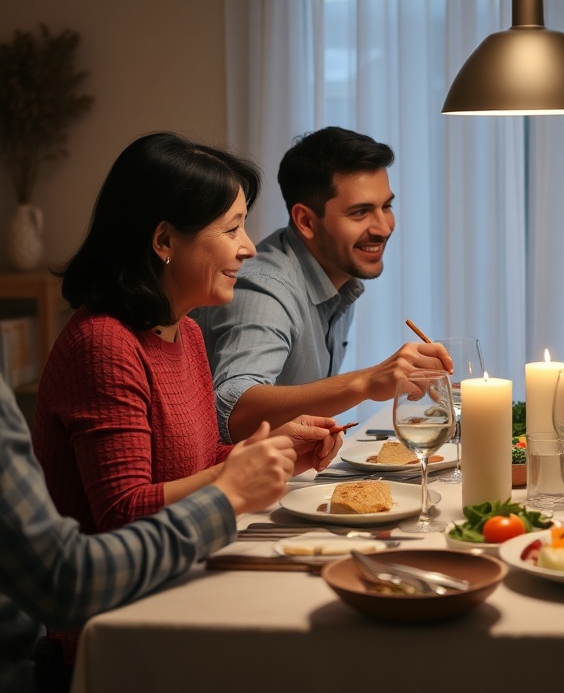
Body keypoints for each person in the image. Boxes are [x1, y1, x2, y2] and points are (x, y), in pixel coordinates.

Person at [31, 133, 344, 667]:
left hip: (174, 579)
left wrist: (277, 451)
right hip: (113, 630)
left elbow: (192, 465)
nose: (249, 247)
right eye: (232, 229)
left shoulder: (186, 332)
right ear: (164, 240)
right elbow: (124, 515)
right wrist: (235, 475)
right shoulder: (104, 345)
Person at [1, 372, 297, 693]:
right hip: (89, 646)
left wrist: (271, 456)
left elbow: (202, 459)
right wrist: (226, 498)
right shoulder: (103, 352)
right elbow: (66, 577)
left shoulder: (185, 342)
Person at [193, 126, 451, 443]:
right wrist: (366, 382)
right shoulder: (266, 290)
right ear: (305, 221)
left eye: (386, 206)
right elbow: (231, 410)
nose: (383, 228)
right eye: (360, 212)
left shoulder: (338, 274)